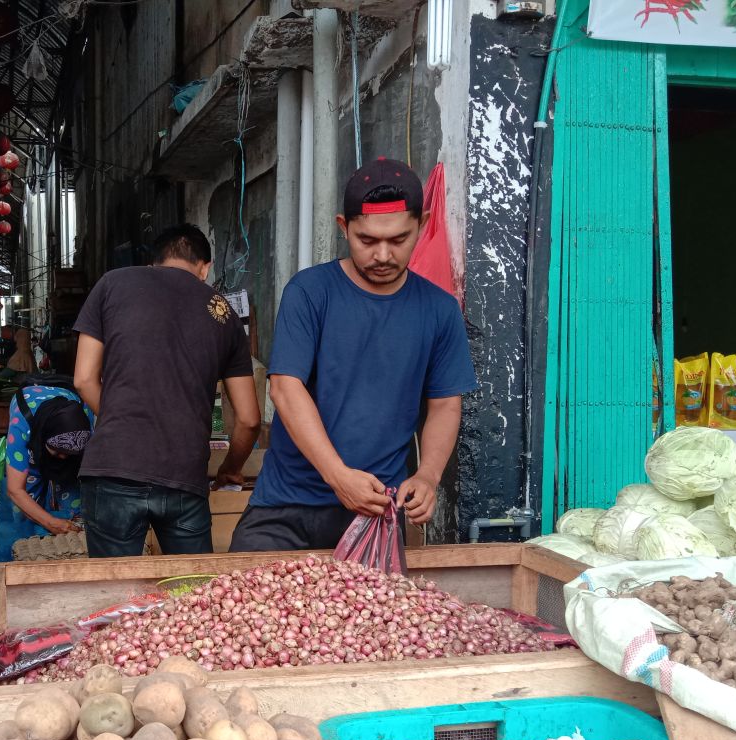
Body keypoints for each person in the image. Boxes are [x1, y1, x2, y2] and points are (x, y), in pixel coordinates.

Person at [230, 159, 478, 552]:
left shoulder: (439, 310)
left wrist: (428, 476)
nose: (382, 255)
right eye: (367, 240)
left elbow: (446, 404)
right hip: (284, 508)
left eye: (398, 240)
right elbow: (284, 389)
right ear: (344, 227)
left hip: (375, 512)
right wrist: (337, 476)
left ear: (423, 223)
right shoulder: (310, 292)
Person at [73, 224, 261, 557]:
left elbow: (84, 380)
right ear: (205, 267)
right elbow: (248, 419)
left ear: (154, 262)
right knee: (190, 596)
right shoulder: (223, 312)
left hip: (114, 467)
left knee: (115, 597)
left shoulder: (113, 284)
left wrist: (124, 421)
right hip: (184, 476)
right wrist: (230, 468)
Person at [0, 382, 95, 556]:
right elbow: (15, 490)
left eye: (69, 453)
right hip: (32, 423)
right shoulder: (22, 425)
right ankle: (25, 546)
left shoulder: (86, 422)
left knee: (72, 492)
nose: (63, 457)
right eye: (57, 452)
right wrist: (50, 522)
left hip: (65, 424)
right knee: (28, 500)